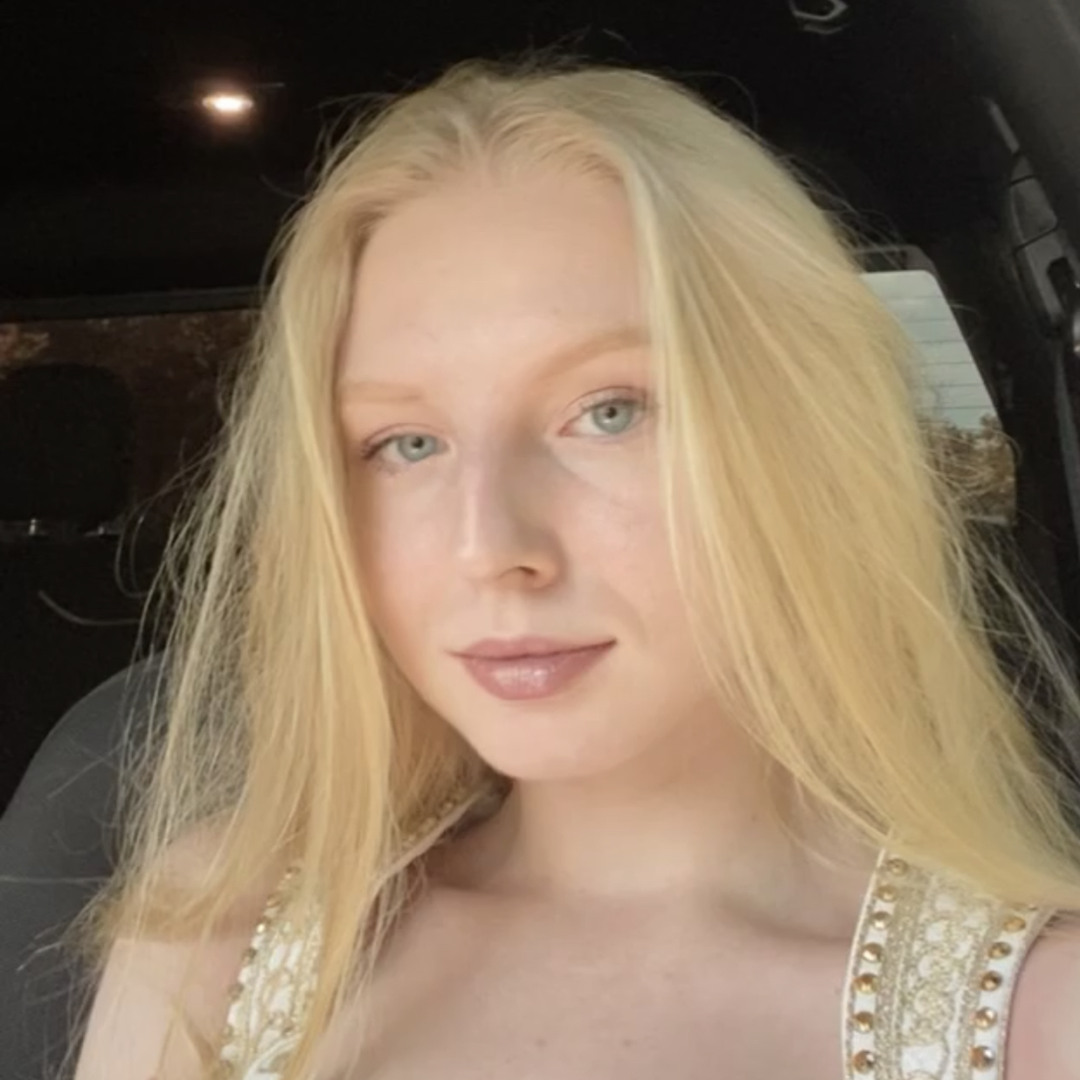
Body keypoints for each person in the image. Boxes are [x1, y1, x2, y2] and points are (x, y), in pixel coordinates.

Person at [70, 57, 1080, 1080]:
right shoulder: (212, 939)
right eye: (405, 444)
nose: (487, 548)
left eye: (609, 412)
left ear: (812, 439)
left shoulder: (1043, 1017)